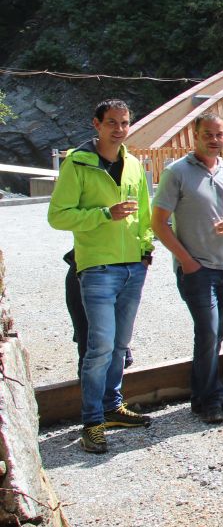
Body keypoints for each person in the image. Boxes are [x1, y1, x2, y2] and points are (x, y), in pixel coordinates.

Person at [48, 99, 155, 453]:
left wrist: (145, 249)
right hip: (97, 267)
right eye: (112, 122)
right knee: (100, 347)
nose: (119, 129)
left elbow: (144, 212)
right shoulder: (77, 163)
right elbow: (58, 216)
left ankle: (112, 407)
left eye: (124, 123)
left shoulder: (134, 164)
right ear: (97, 124)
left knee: (120, 345)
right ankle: (92, 422)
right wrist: (103, 214)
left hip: (132, 267)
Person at [152, 112, 223, 424]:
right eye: (207, 134)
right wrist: (187, 261)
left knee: (216, 335)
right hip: (198, 270)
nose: (214, 140)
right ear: (195, 136)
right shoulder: (176, 172)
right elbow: (158, 223)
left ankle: (206, 394)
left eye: (219, 134)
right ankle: (208, 399)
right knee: (207, 332)